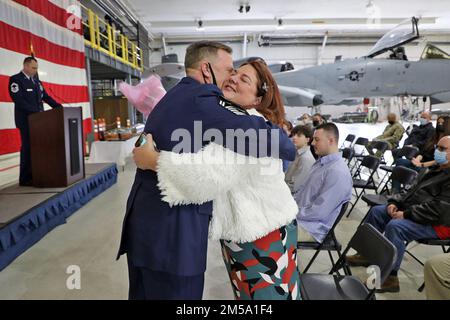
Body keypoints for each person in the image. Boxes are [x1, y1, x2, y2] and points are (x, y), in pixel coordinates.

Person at [116, 41, 296, 300]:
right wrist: (287, 144)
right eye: (229, 71)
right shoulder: (203, 99)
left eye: (241, 76)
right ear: (206, 69)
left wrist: (153, 159)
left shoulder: (175, 97)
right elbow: (208, 175)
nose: (231, 78)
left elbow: (206, 171)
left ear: (258, 97)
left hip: (154, 231)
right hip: (172, 240)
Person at [346, 136, 450, 293]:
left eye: (443, 149)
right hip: (417, 212)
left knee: (396, 227)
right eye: (438, 147)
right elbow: (409, 191)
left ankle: (390, 277)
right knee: (377, 212)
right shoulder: (434, 169)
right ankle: (367, 254)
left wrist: (406, 214)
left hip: (439, 224)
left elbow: (439, 210)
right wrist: (395, 203)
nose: (437, 151)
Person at [8, 56, 63, 186]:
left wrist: (59, 108)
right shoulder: (16, 80)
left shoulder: (37, 82)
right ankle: (25, 178)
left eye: (36, 68)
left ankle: (37, 174)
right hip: (26, 121)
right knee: (28, 148)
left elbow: (46, 97)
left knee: (39, 149)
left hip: (39, 122)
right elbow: (19, 101)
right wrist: (37, 113)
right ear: (25, 66)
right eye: (33, 68)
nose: (35, 70)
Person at [294, 123, 353, 243]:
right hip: (303, 217)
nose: (312, 143)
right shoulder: (322, 163)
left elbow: (319, 212)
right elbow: (302, 192)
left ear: (330, 140)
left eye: (316, 139)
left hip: (311, 228)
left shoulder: (337, 172)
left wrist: (292, 212)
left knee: (267, 230)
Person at [285, 125, 315, 193]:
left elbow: (295, 187)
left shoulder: (305, 158)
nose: (294, 138)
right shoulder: (298, 154)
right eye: (293, 135)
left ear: (307, 139)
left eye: (299, 136)